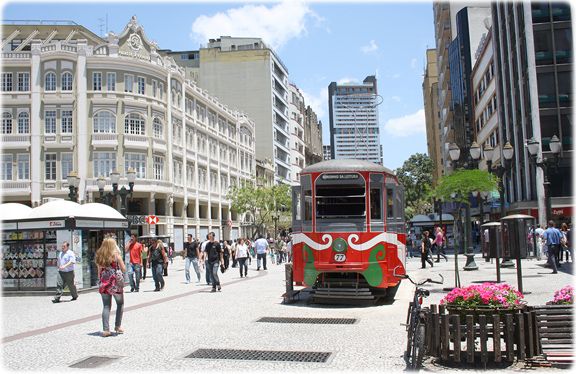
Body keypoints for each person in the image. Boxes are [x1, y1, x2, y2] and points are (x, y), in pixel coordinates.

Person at [95, 237, 126, 337]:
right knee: (120, 304)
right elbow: (124, 269)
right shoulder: (116, 256)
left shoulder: (100, 256)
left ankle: (106, 330)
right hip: (115, 284)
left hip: (104, 284)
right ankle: (117, 326)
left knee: (106, 306)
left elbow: (99, 272)